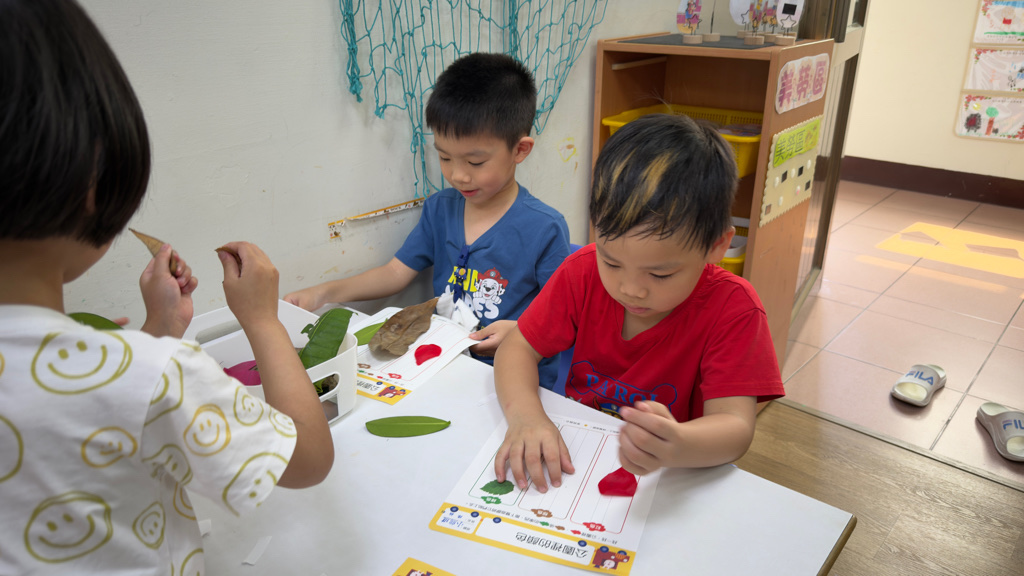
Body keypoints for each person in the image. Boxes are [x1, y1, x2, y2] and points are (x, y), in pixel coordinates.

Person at [0, 1, 333, 573]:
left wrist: (160, 329)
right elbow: (306, 458)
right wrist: (263, 319)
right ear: (93, 179)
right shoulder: (151, 374)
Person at [492, 114, 784, 492]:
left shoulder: (734, 309)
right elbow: (517, 347)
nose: (630, 289)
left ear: (717, 247)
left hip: (674, 478)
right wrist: (527, 418)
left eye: (659, 274)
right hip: (582, 452)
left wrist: (679, 444)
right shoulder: (582, 272)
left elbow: (736, 428)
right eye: (612, 262)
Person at [284, 52, 570, 387]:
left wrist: (521, 332)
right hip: (442, 366)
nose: (458, 175)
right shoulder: (440, 209)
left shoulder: (544, 228)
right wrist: (323, 293)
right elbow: (394, 273)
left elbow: (563, 315)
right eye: (445, 157)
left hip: (514, 376)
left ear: (520, 150)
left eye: (475, 162)